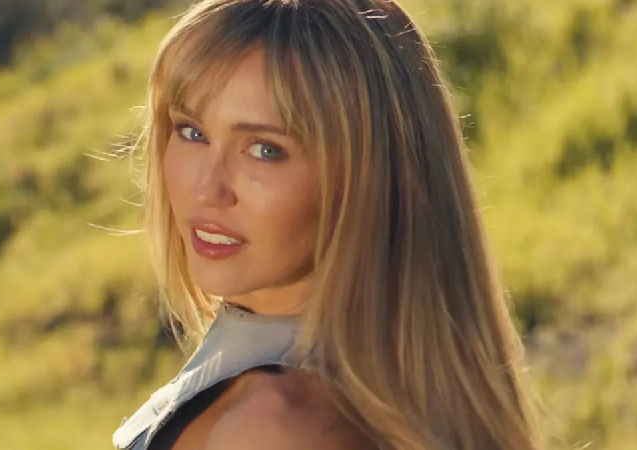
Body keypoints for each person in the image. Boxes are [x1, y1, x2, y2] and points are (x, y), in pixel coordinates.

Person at [113, 0, 545, 449]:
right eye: (192, 132)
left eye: (265, 150)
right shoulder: (369, 387)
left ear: (370, 178)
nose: (207, 189)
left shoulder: (273, 428)